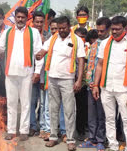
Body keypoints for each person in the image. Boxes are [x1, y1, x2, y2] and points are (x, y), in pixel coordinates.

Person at [0, 7, 43, 141]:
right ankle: (12, 130)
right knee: (12, 103)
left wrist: (37, 72)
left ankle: (24, 130)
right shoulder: (7, 33)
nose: (20, 19)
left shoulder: (34, 32)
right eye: (18, 17)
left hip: (27, 73)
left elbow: (39, 54)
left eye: (22, 17)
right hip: (10, 73)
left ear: (27, 19)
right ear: (15, 18)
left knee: (26, 103)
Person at [36, 16, 86, 151]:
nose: (61, 30)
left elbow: (81, 60)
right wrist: (39, 54)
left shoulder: (77, 40)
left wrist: (79, 80)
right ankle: (53, 137)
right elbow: (43, 50)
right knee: (53, 109)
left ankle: (70, 139)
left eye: (64, 28)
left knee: (69, 110)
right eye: (59, 28)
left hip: (67, 80)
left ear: (69, 26)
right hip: (52, 78)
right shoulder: (53, 38)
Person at [92, 16, 127, 151]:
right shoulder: (105, 43)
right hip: (106, 87)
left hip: (124, 88)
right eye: (112, 29)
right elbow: (100, 65)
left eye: (117, 29)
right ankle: (113, 146)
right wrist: (96, 85)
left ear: (125, 28)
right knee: (109, 119)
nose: (114, 32)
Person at [80, 17, 111, 151]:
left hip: (104, 86)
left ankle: (100, 140)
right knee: (91, 115)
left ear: (108, 29)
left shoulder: (111, 44)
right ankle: (92, 138)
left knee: (102, 114)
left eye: (102, 31)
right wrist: (89, 83)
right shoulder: (93, 45)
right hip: (91, 86)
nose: (99, 33)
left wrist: (99, 84)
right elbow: (90, 66)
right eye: (98, 31)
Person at [29, 11, 45, 137]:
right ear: (33, 22)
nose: (39, 24)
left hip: (46, 75)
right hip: (32, 74)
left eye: (41, 22)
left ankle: (44, 127)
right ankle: (33, 126)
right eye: (37, 22)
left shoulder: (50, 35)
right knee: (32, 101)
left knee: (45, 104)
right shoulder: (29, 35)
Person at [74, 27, 88, 141]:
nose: (80, 39)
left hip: (83, 83)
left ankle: (81, 130)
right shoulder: (70, 47)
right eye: (78, 37)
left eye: (82, 37)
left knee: (82, 108)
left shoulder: (89, 48)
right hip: (69, 80)